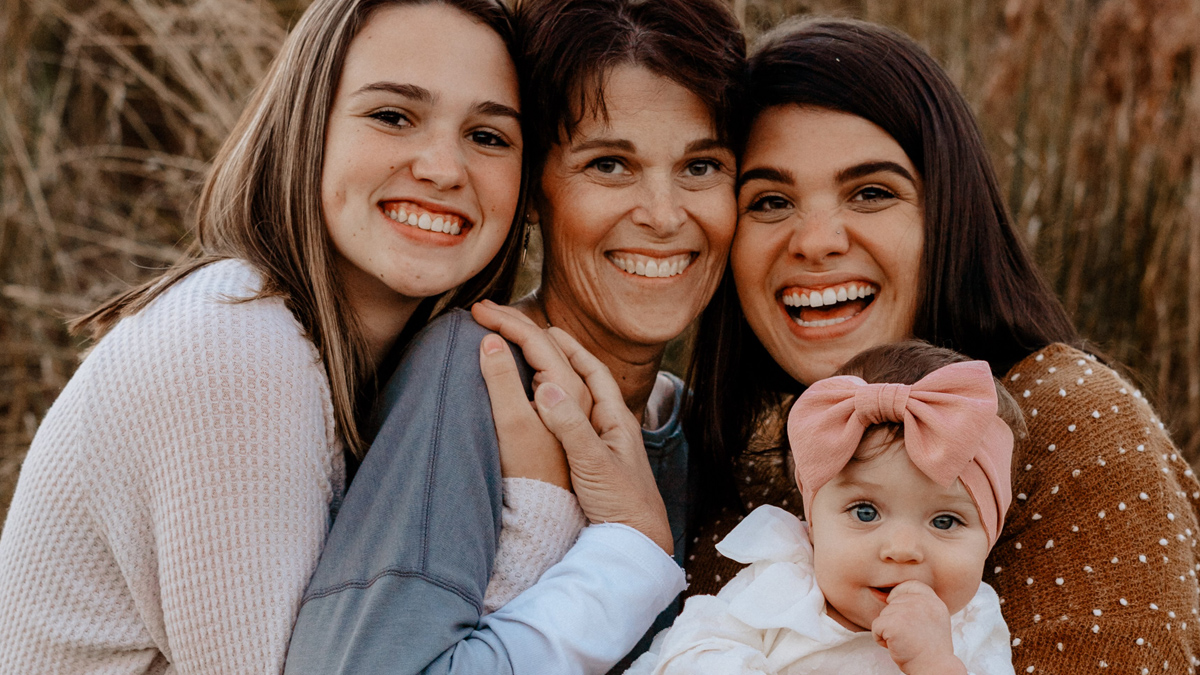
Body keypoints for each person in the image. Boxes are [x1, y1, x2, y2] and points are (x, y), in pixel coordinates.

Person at [0, 0, 527, 671]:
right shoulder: (233, 343)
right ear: (307, 125)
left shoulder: (392, 371)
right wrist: (549, 526)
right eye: (392, 115)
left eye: (489, 136)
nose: (444, 167)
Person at [683, 17, 1200, 673]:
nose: (815, 241)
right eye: (769, 201)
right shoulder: (749, 453)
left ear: (950, 211)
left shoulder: (1068, 420)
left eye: (871, 192)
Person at [283, 0, 745, 672]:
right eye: (609, 164)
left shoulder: (693, 425)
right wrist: (627, 547)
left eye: (701, 167)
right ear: (534, 190)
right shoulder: (477, 374)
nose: (664, 215)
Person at [629, 342, 1019, 675]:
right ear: (812, 522)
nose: (902, 550)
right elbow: (693, 650)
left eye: (945, 521)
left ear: (989, 535)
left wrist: (935, 662)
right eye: (865, 512)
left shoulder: (970, 623)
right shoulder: (784, 579)